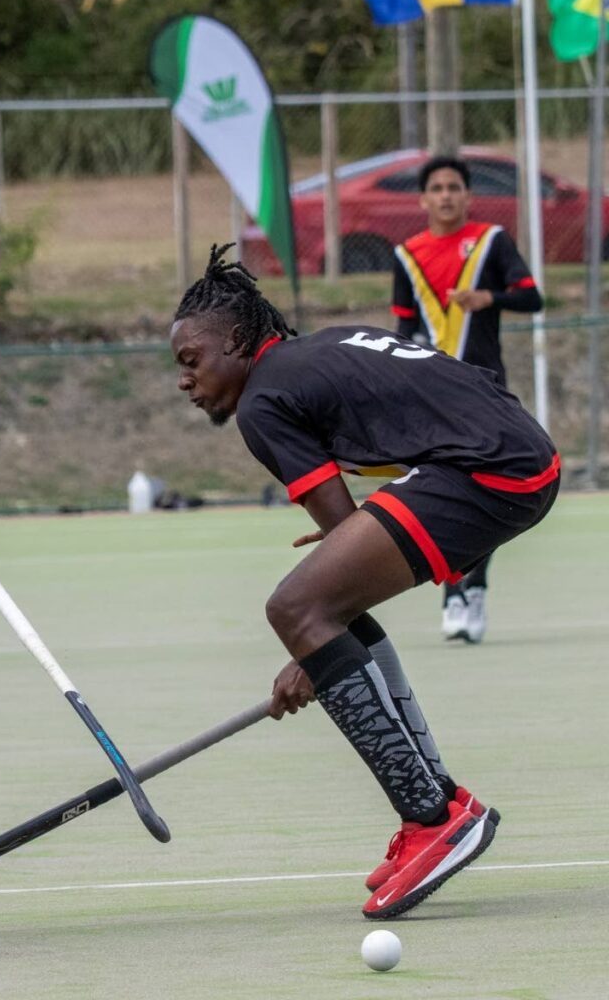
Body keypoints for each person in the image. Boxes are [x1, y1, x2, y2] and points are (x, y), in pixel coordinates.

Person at [170, 244, 559, 920]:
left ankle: (433, 820)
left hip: (488, 471)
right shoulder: (323, 349)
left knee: (295, 606)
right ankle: (438, 801)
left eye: (190, 361)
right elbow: (346, 564)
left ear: (235, 341)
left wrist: (311, 655)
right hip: (517, 453)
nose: (185, 381)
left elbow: (328, 570)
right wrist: (318, 652)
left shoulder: (264, 402)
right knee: (316, 610)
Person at [392, 155, 543, 644]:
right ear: (423, 199)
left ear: (468, 195)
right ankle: (454, 589)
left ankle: (473, 585)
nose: (446, 195)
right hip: (431, 393)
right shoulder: (407, 254)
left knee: (490, 486)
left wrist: (489, 299)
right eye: (436, 187)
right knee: (441, 491)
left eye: (454, 186)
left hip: (484, 386)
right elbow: (404, 327)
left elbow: (531, 297)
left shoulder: (491, 241)